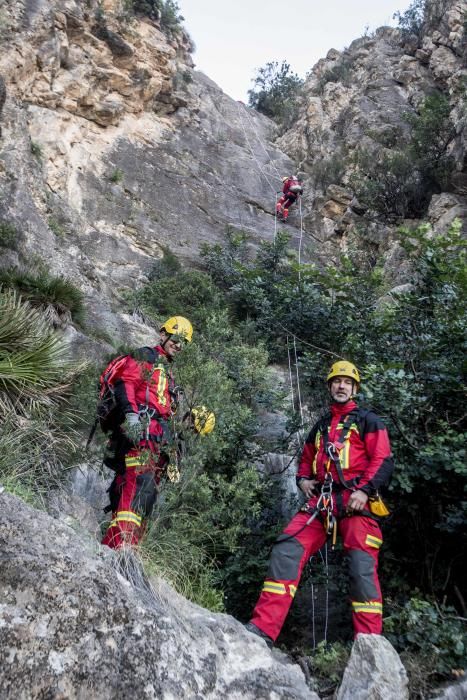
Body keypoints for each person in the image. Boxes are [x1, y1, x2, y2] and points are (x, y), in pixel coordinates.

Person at [246, 360, 394, 646]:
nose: (341, 386)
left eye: (347, 382)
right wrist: (302, 480)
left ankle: (371, 643)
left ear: (354, 389)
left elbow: (383, 459)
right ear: (330, 386)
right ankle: (263, 628)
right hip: (323, 502)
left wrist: (364, 491)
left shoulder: (368, 421)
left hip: (356, 502)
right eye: (337, 381)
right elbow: (305, 459)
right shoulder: (322, 425)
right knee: (288, 547)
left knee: (361, 567)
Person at [101, 316, 193, 549]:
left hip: (152, 437)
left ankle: (117, 543)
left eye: (184, 342)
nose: (179, 345)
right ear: (163, 335)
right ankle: (122, 546)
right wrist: (131, 416)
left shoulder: (165, 370)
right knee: (138, 485)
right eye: (176, 338)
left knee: (137, 488)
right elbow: (126, 383)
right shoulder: (147, 356)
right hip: (140, 431)